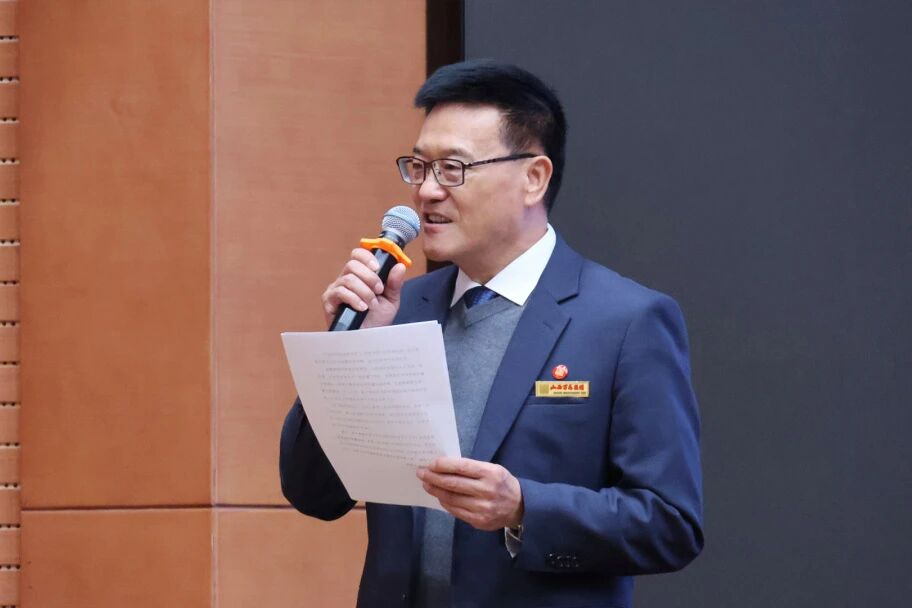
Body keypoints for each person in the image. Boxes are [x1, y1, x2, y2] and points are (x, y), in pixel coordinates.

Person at [280, 59, 703, 608]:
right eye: (419, 166)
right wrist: (352, 353)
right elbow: (312, 493)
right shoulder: (397, 309)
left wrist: (524, 507)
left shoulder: (625, 321)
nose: (427, 191)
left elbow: (670, 523)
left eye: (453, 168)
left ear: (534, 178)